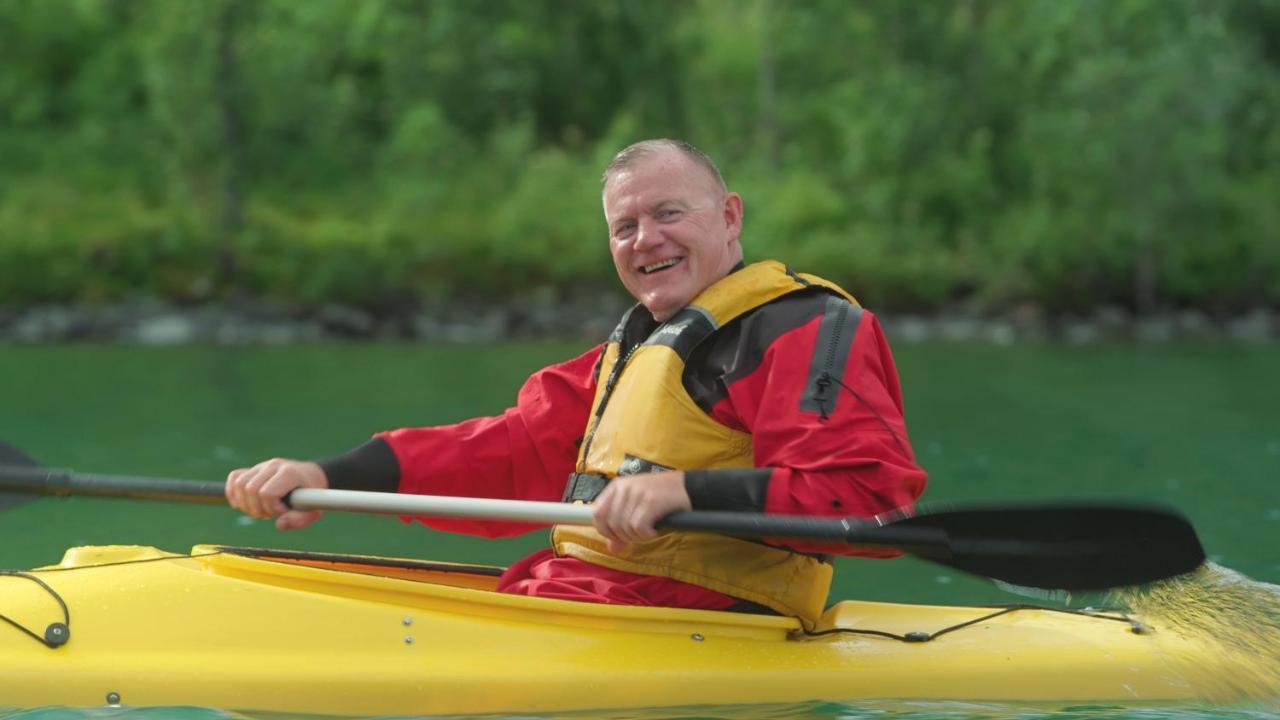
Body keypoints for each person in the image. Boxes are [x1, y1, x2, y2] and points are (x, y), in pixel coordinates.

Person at [225, 139, 926, 629]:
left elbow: (863, 501)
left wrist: (684, 489)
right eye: (624, 226)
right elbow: (502, 452)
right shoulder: (627, 356)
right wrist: (329, 475)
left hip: (702, 626)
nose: (644, 239)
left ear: (731, 216)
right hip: (581, 603)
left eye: (668, 214)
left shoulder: (804, 328)